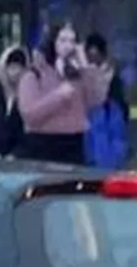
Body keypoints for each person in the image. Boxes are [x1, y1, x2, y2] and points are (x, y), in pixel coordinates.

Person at [17, 21, 107, 166]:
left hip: (74, 143)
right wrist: (58, 96)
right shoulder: (34, 74)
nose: (68, 46)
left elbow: (96, 99)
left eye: (72, 41)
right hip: (43, 143)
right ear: (52, 42)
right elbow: (29, 115)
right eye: (63, 40)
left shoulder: (78, 72)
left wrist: (86, 68)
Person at [83, 32, 130, 171]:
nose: (93, 65)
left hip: (106, 164)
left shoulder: (114, 94)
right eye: (89, 59)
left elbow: (119, 134)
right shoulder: (78, 84)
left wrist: (113, 160)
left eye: (96, 59)